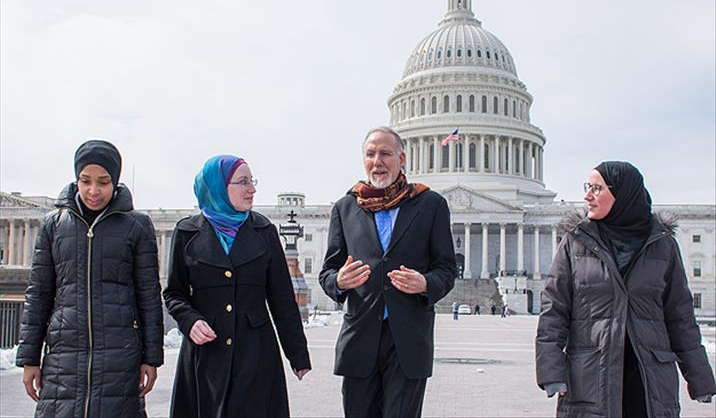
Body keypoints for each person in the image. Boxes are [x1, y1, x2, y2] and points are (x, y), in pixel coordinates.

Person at [536, 161, 716, 417]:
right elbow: (554, 311)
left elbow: (680, 317)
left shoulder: (662, 245)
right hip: (592, 376)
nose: (587, 196)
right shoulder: (575, 242)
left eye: (596, 188)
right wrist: (551, 371)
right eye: (587, 187)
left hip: (648, 378)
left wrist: (700, 379)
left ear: (621, 194)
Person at [16, 140, 164, 417]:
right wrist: (29, 358)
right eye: (85, 181)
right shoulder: (53, 225)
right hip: (63, 356)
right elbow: (39, 294)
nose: (93, 191)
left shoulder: (136, 226)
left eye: (103, 182)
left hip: (120, 355)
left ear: (115, 182)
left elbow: (148, 295)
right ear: (76, 179)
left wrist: (151, 357)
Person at [319, 126, 457, 418]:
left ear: (402, 158)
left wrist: (424, 283)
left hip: (408, 340)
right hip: (360, 338)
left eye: (385, 153)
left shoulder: (431, 205)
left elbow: (446, 269)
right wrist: (339, 281)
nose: (377, 161)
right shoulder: (345, 208)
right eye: (370, 154)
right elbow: (328, 273)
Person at [164, 155, 311, 418]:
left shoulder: (264, 230)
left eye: (252, 181)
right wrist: (190, 321)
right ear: (219, 187)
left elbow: (281, 299)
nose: (252, 189)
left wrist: (297, 355)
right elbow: (174, 293)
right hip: (205, 355)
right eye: (243, 182)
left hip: (255, 352)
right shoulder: (186, 232)